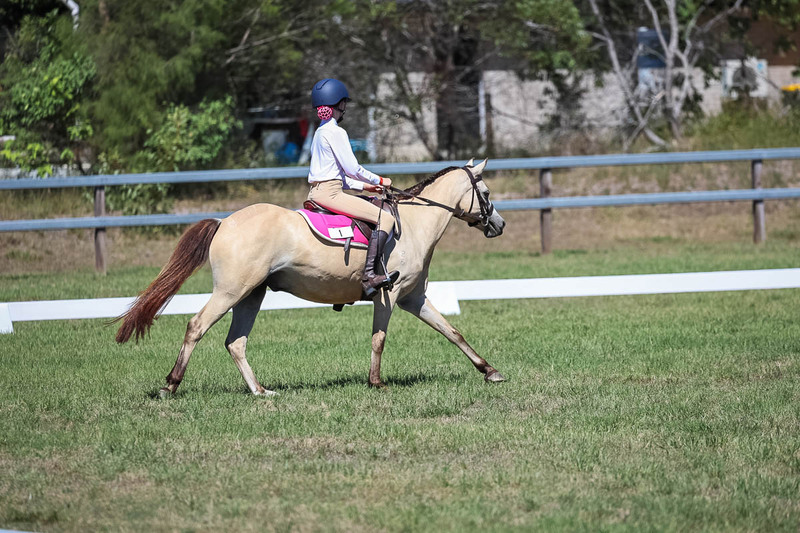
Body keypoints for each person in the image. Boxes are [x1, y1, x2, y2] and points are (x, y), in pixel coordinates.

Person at [306, 78, 400, 298]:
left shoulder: (319, 132)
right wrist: (379, 180)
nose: (345, 107)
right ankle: (368, 276)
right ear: (338, 104)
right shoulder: (337, 132)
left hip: (320, 191)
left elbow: (337, 176)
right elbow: (352, 168)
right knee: (385, 219)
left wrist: (367, 187)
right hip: (331, 194)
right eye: (343, 103)